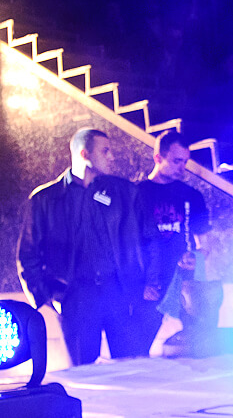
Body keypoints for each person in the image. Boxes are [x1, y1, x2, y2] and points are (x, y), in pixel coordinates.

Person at [16, 128, 157, 365]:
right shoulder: (45, 199)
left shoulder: (125, 193)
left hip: (120, 292)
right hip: (77, 297)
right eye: (105, 151)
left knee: (133, 367)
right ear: (84, 154)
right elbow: (28, 254)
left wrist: (150, 282)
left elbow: (150, 239)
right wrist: (44, 295)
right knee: (84, 372)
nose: (112, 157)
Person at [133, 130, 211, 355]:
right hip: (150, 283)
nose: (182, 167)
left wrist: (197, 257)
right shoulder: (135, 194)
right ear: (158, 158)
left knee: (198, 348)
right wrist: (139, 284)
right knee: (137, 351)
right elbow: (127, 244)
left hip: (184, 282)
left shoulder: (193, 196)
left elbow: (206, 243)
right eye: (177, 161)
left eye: (185, 161)